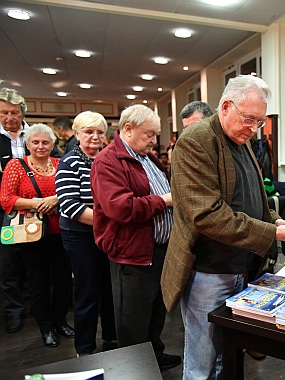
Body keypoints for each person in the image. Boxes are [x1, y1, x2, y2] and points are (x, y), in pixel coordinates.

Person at [161, 75, 285, 380]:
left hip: (241, 266)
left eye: (259, 121)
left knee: (226, 356)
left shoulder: (241, 140)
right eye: (249, 119)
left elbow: (255, 196)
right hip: (209, 271)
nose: (254, 128)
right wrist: (272, 233)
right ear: (226, 106)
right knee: (202, 364)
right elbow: (205, 215)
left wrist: (276, 219)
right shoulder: (196, 140)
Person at [90, 104, 180, 371]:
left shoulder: (147, 157)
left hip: (158, 249)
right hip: (132, 252)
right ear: (127, 129)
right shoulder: (107, 161)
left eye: (155, 135)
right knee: (132, 319)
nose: (154, 141)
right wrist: (164, 200)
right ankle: (134, 370)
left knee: (155, 311)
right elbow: (120, 207)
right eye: (149, 134)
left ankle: (154, 356)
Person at [0, 123, 73, 347]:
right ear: (27, 144)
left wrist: (56, 200)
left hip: (62, 232)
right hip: (32, 235)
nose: (40, 146)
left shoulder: (61, 164)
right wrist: (38, 203)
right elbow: (6, 199)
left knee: (63, 281)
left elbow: (71, 191)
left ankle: (61, 321)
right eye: (35, 142)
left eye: (45, 142)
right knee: (38, 282)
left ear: (53, 144)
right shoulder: (16, 166)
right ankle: (46, 326)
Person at [55, 111, 116, 356]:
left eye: (99, 132)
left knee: (111, 292)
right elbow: (70, 206)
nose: (94, 136)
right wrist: (113, 222)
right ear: (77, 134)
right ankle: (85, 349)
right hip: (80, 237)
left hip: (108, 235)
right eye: (89, 131)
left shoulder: (108, 159)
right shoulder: (69, 161)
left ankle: (111, 341)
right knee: (87, 294)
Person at [0, 88, 60, 334]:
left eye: (14, 112)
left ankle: (50, 317)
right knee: (8, 266)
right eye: (4, 112)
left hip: (47, 219)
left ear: (23, 112)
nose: (9, 117)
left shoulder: (38, 134)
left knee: (44, 271)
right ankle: (14, 311)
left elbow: (58, 168)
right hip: (9, 209)